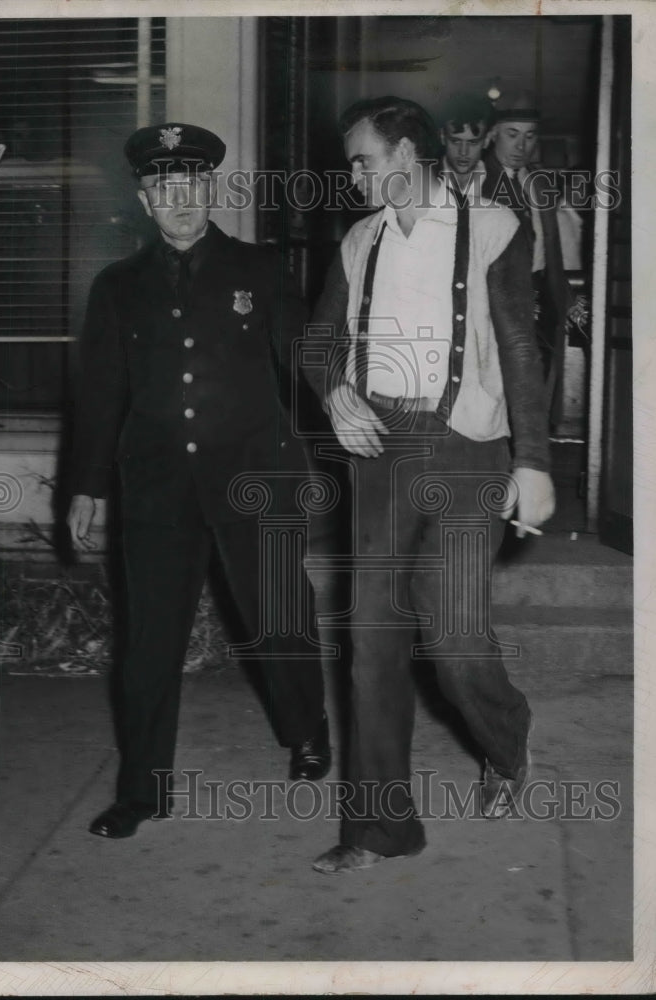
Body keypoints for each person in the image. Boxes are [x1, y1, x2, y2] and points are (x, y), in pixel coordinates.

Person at [305, 96, 555, 874]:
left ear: (407, 155)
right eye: (352, 161)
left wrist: (535, 461)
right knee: (372, 648)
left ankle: (506, 744)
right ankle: (379, 830)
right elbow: (317, 340)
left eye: (364, 159)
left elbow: (519, 342)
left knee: (452, 640)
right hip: (380, 450)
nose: (353, 174)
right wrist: (334, 390)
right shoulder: (359, 241)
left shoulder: (492, 229)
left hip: (465, 447)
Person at [67, 122, 330, 840]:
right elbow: (100, 392)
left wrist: (339, 431)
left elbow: (304, 358)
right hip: (155, 485)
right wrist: (86, 484)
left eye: (192, 186)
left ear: (211, 191)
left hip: (256, 474)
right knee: (149, 640)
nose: (180, 200)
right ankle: (143, 788)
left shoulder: (262, 268)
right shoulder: (118, 286)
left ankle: (307, 730)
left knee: (281, 618)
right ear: (145, 201)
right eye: (164, 188)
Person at [482, 90, 571, 425]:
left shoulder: (540, 182)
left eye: (530, 136)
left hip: (539, 295)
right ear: (492, 135)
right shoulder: (473, 181)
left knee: (537, 379)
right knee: (499, 386)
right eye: (512, 134)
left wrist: (560, 297)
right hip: (496, 297)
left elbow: (553, 248)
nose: (522, 146)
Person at [437, 92, 494, 198]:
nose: (463, 152)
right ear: (442, 136)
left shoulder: (500, 182)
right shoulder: (424, 178)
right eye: (455, 141)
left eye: (473, 142)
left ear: (486, 140)